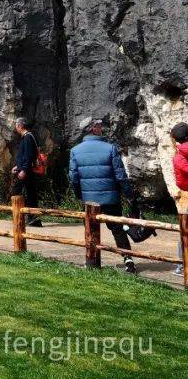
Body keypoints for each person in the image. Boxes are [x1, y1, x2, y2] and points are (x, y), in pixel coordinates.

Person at [69, 116, 136, 274]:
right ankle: (128, 261)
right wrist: (130, 196)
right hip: (111, 199)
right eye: (99, 126)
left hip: (89, 201)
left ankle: (91, 262)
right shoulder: (110, 148)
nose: (101, 128)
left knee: (91, 229)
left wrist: (80, 195)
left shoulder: (75, 151)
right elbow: (120, 176)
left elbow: (73, 178)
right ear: (93, 129)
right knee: (117, 229)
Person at [10, 117, 43, 227]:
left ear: (20, 126)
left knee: (16, 192)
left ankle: (19, 216)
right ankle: (34, 219)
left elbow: (28, 156)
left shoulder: (28, 137)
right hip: (26, 169)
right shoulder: (27, 137)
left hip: (27, 170)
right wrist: (18, 166)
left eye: (16, 126)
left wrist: (23, 169)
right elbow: (26, 156)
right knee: (30, 193)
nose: (16, 128)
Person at [170, 122, 188, 276]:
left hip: (186, 194)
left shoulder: (178, 157)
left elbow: (180, 181)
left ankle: (182, 266)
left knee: (185, 231)